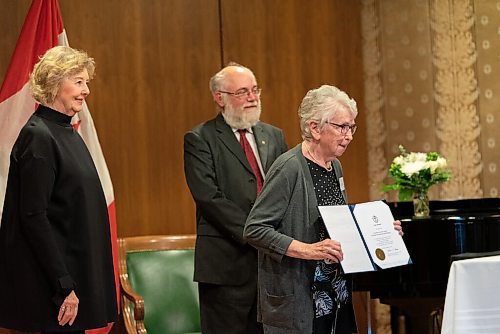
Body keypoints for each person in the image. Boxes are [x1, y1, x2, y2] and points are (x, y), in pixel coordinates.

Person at [244, 85, 403, 334]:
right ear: (315, 128)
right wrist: (308, 250)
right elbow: (255, 229)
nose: (349, 135)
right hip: (298, 298)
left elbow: (337, 223)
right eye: (341, 127)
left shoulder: (335, 166)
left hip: (335, 292)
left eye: (351, 127)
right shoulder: (289, 168)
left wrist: (379, 231)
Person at [0, 46, 117, 333]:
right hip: (56, 288)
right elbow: (33, 216)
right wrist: (64, 284)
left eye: (86, 82)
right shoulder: (39, 136)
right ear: (54, 83)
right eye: (78, 81)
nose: (86, 90)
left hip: (73, 279)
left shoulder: (65, 131)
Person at [184, 63, 288, 333]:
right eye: (243, 92)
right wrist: (257, 234)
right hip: (226, 267)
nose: (253, 97)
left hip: (272, 267)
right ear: (220, 98)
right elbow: (209, 198)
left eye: (255, 90)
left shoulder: (274, 136)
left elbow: (286, 190)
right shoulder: (200, 138)